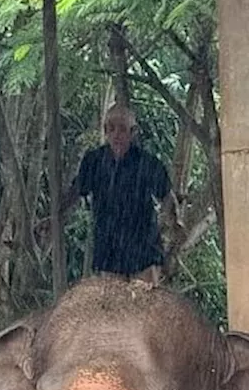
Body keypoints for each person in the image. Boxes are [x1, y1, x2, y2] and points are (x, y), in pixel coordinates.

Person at [54, 104, 180, 284]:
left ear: (133, 132)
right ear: (105, 131)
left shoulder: (148, 163)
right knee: (113, 308)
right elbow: (76, 191)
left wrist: (174, 225)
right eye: (111, 128)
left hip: (143, 249)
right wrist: (56, 216)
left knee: (146, 306)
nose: (116, 135)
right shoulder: (94, 161)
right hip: (109, 250)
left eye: (122, 129)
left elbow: (167, 197)